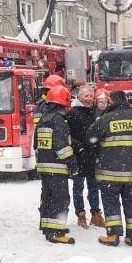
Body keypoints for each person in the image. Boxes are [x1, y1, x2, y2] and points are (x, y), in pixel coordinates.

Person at [87, 90, 132, 247]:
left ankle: (113, 235)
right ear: (126, 100)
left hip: (110, 173)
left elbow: (90, 137)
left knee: (111, 202)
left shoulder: (105, 119)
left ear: (111, 101)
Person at [35, 85, 79, 244]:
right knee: (60, 199)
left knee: (48, 197)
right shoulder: (59, 120)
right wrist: (72, 164)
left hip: (44, 166)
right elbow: (62, 146)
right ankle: (56, 232)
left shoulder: (43, 119)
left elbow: (37, 143)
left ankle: (48, 227)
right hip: (57, 166)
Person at [66, 85, 104, 229]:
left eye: (90, 96)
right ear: (79, 97)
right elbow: (68, 135)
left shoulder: (95, 112)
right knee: (78, 187)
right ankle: (80, 215)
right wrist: (79, 147)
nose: (89, 99)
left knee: (94, 187)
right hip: (79, 157)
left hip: (94, 156)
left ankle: (96, 214)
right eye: (86, 96)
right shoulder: (73, 113)